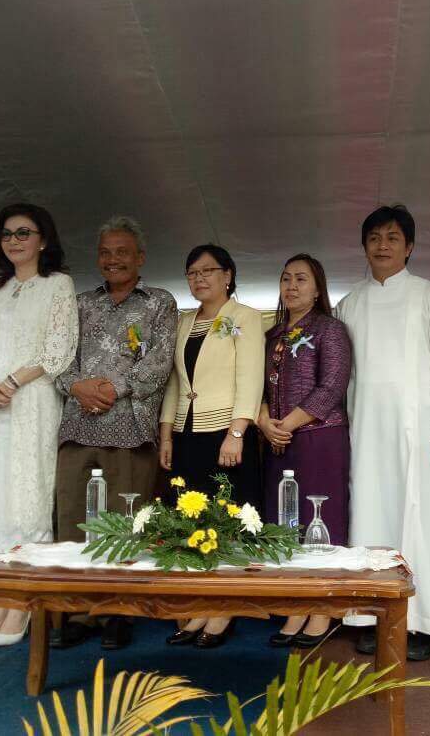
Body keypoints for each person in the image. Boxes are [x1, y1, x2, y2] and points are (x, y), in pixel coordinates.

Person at [335, 204, 430, 661]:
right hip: (366, 430)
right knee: (369, 517)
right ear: (363, 246)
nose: (383, 246)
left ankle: (422, 621)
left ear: (409, 247)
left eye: (392, 238)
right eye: (374, 238)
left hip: (421, 431)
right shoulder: (349, 304)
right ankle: (370, 617)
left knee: (422, 524)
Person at [0, 203, 77, 646]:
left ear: (43, 240)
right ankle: (1, 593)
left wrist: (9, 383)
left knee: (28, 492)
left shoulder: (57, 284)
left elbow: (58, 347)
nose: (14, 241)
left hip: (31, 401)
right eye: (7, 234)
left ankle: (21, 599)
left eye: (24, 232)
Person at [52, 216, 177, 650]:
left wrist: (111, 389)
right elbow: (58, 358)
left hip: (131, 428)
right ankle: (77, 612)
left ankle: (118, 612)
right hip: (78, 425)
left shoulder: (160, 302)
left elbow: (160, 362)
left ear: (140, 257)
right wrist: (78, 387)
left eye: (122, 252)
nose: (113, 259)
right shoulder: (80, 304)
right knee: (73, 519)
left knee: (124, 522)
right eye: (105, 252)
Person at [159, 244, 263, 648]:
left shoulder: (244, 317)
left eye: (207, 270)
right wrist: (166, 433)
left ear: (228, 276)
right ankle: (201, 602)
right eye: (192, 272)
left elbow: (250, 377)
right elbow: (175, 381)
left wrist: (237, 432)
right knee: (194, 519)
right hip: (187, 431)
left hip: (225, 431)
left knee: (228, 518)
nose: (199, 278)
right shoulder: (183, 321)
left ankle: (224, 609)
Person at [258, 253, 352, 648]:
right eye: (286, 278)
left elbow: (331, 387)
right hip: (277, 440)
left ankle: (323, 607)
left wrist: (287, 424)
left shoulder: (331, 329)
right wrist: (265, 421)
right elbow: (256, 387)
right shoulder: (271, 335)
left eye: (301, 279)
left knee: (321, 518)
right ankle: (297, 602)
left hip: (319, 437)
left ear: (317, 290)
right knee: (285, 521)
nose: (291, 286)